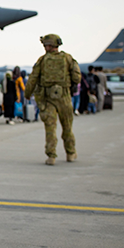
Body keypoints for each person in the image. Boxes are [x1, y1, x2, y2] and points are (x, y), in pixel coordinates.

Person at [24, 34, 81, 166]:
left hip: (47, 98)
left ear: (48, 45)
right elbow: (77, 78)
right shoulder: (68, 58)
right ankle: (70, 153)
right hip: (64, 97)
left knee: (50, 128)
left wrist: (27, 94)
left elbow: (33, 78)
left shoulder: (42, 60)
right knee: (67, 127)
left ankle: (51, 156)